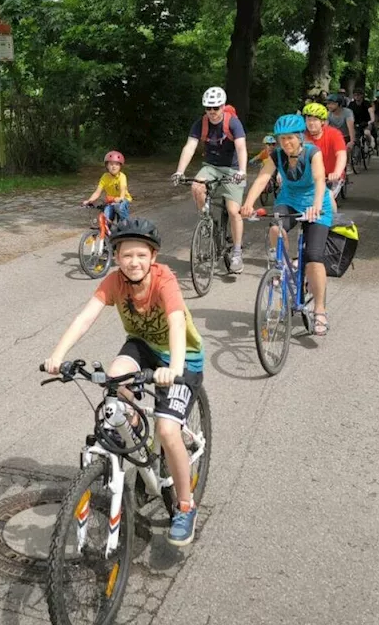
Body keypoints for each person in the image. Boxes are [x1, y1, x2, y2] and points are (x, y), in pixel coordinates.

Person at [42, 217, 207, 546]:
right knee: (114, 377)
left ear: (153, 257)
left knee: (166, 429)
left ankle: (185, 507)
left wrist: (172, 369)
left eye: (141, 255)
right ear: (116, 257)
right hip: (143, 347)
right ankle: (139, 436)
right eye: (127, 255)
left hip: (182, 356)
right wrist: (57, 356)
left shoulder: (164, 281)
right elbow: (86, 316)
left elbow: (176, 323)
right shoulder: (114, 282)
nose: (134, 262)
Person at [240, 114, 335, 336]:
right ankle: (283, 265)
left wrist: (316, 206)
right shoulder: (277, 156)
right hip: (288, 201)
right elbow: (263, 179)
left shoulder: (313, 153)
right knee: (275, 227)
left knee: (313, 257)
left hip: (316, 205)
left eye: (290, 138)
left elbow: (320, 180)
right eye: (281, 138)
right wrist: (247, 204)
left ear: (300, 137)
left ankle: (320, 309)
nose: (285, 143)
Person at [173, 86, 248, 273]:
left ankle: (237, 253)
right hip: (211, 166)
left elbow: (241, 147)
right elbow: (190, 146)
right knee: (197, 186)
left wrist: (243, 170)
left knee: (233, 211)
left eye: (216, 108)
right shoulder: (201, 123)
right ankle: (206, 219)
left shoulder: (233, 123)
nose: (212, 112)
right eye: (208, 108)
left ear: (223, 106)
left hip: (232, 169)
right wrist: (179, 171)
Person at [302, 101, 347, 199]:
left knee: (326, 198)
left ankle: (332, 214)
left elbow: (341, 155)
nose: (311, 123)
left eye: (315, 120)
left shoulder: (334, 134)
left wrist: (337, 172)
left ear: (322, 121)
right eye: (308, 119)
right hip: (309, 177)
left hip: (330, 177)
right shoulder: (302, 136)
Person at [82, 150, 132, 223]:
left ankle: (125, 224)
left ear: (120, 166)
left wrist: (120, 198)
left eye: (117, 164)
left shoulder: (122, 177)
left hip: (123, 199)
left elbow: (123, 189)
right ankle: (108, 231)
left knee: (120, 208)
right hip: (111, 201)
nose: (114, 166)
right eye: (111, 164)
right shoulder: (104, 177)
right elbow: (97, 192)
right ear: (107, 166)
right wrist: (89, 200)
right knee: (106, 215)